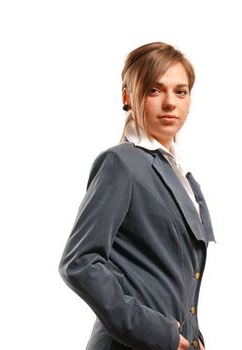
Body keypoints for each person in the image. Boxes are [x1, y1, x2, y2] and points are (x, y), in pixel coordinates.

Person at [59, 42, 215, 350]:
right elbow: (79, 262)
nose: (170, 102)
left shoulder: (183, 177)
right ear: (128, 96)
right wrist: (158, 332)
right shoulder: (121, 163)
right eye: (155, 90)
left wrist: (192, 337)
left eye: (180, 91)